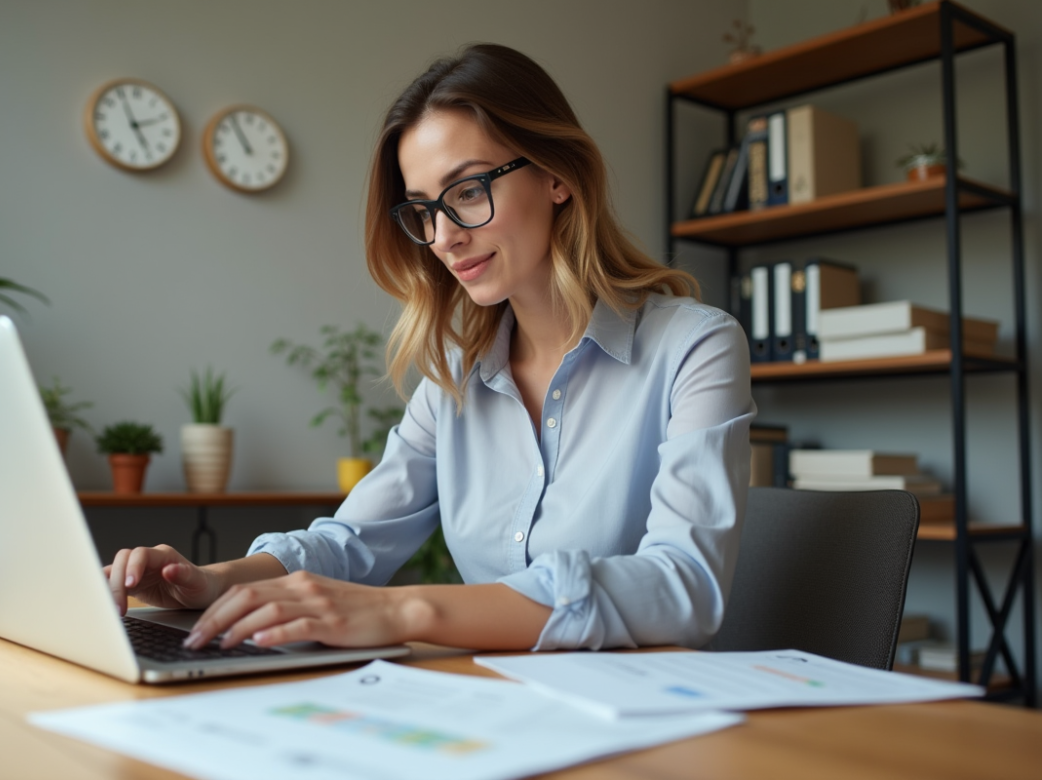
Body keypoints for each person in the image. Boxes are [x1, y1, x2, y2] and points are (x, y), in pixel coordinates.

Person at [106, 43, 754, 653]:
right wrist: (213, 580)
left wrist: (407, 612)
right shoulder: (454, 375)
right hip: (496, 707)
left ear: (557, 175)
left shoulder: (695, 347)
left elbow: (683, 585)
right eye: (422, 210)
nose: (443, 237)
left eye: (468, 190)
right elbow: (349, 541)